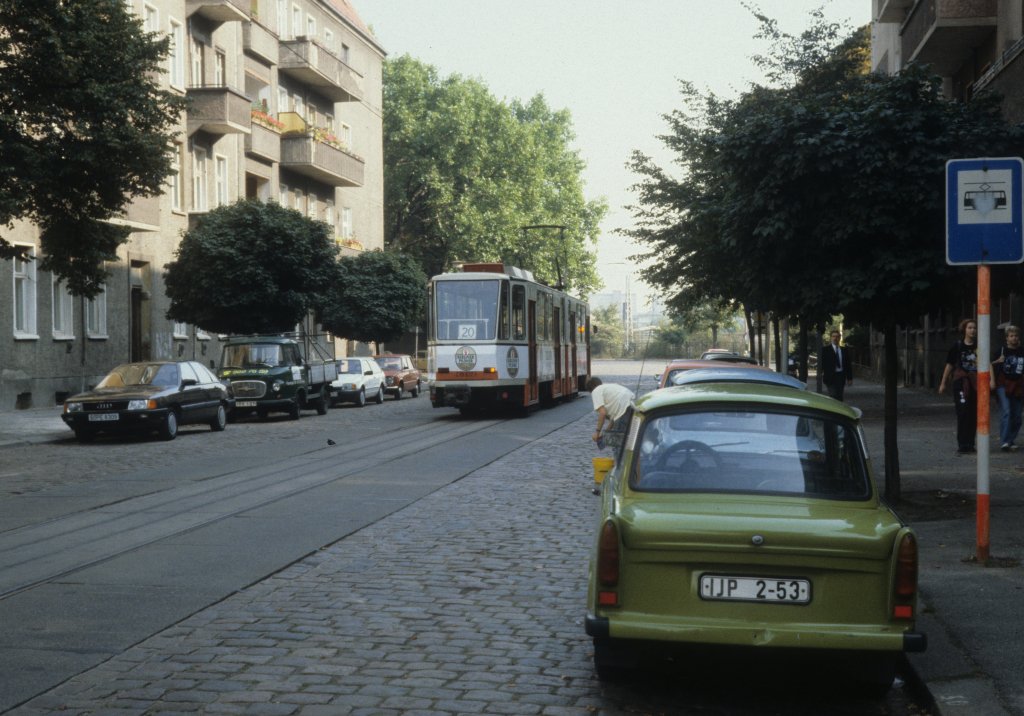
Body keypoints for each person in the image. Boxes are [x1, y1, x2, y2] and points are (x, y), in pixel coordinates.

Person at [938, 318, 979, 455]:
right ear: (964, 330)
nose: (972, 330)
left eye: (974, 328)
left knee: (973, 414)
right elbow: (949, 365)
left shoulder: (979, 346)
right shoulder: (957, 346)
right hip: (961, 383)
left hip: (975, 384)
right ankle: (962, 444)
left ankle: (970, 443)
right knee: (963, 412)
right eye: (970, 328)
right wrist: (943, 383)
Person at [991, 324, 1024, 451]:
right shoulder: (1001, 351)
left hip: (1018, 386)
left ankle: (1010, 439)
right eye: (1011, 336)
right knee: (1006, 411)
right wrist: (997, 361)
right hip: (1003, 385)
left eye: (1016, 336)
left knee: (1017, 416)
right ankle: (1004, 441)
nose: (1014, 338)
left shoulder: (1022, 351)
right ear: (1007, 338)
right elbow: (988, 364)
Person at [585, 377, 634, 450]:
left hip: (623, 409)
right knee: (627, 440)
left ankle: (620, 456)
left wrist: (597, 433)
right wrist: (605, 433)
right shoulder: (607, 389)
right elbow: (614, 419)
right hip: (631, 406)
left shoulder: (596, 391)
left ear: (590, 390)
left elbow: (602, 413)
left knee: (618, 445)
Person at [820, 329, 853, 401]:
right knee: (833, 395)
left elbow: (848, 365)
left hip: (841, 376)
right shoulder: (825, 350)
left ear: (840, 338)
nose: (835, 338)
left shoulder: (844, 350)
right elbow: (822, 363)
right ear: (831, 338)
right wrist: (820, 374)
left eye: (837, 336)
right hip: (830, 377)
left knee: (840, 396)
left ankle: (839, 408)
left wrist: (849, 378)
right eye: (833, 336)